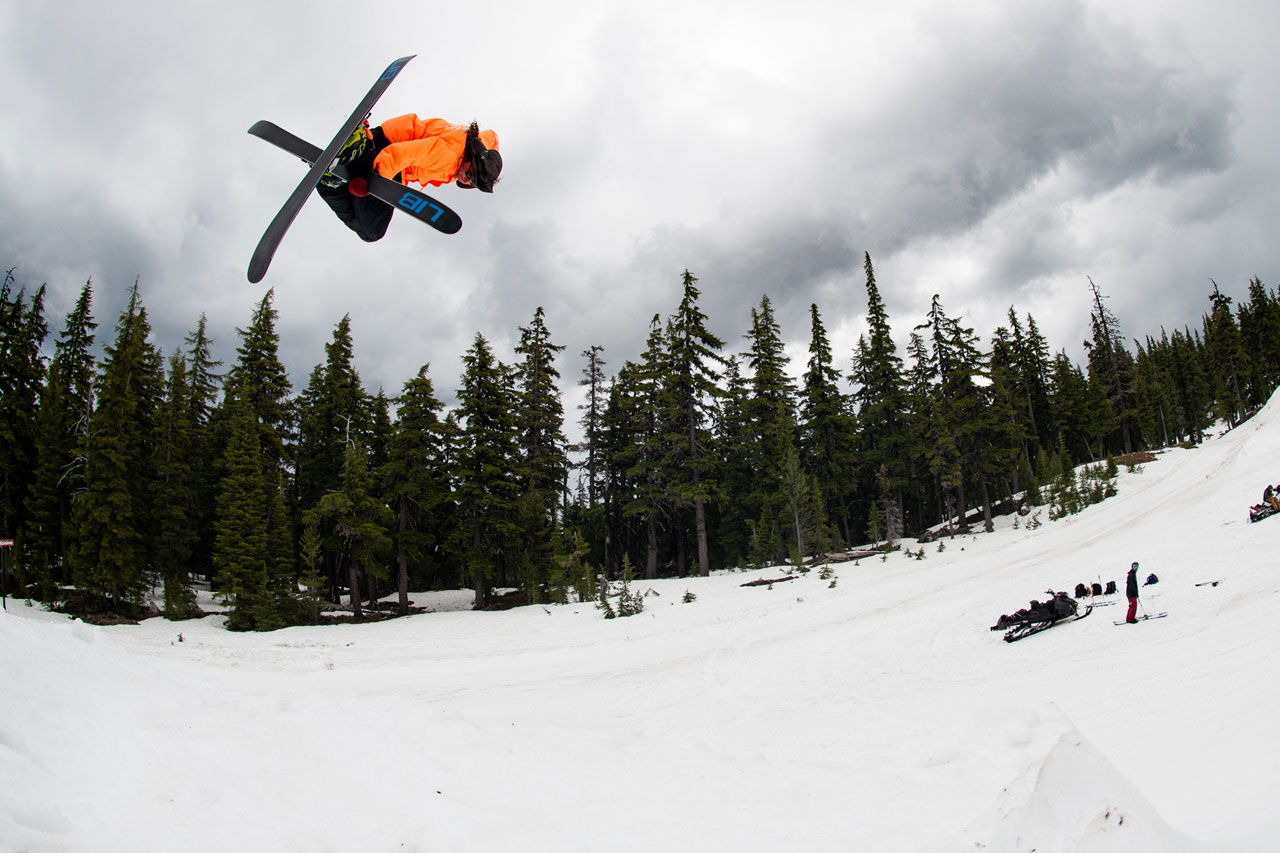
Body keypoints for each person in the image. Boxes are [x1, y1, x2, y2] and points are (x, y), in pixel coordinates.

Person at [316, 115, 502, 242]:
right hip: (386, 152)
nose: (465, 179)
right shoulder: (447, 156)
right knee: (372, 231)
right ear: (473, 158)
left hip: (390, 150)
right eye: (469, 174)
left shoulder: (476, 146)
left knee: (369, 231)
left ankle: (335, 180)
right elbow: (401, 153)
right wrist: (373, 181)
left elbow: (492, 139)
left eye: (472, 182)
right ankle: (359, 153)